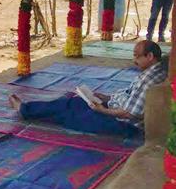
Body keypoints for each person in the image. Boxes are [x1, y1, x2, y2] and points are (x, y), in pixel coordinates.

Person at [9, 40, 167, 136]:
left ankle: (25, 109)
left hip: (123, 123)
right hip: (115, 108)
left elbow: (130, 113)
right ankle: (26, 109)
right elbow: (130, 95)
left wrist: (102, 110)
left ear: (150, 56)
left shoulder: (149, 81)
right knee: (74, 102)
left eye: (137, 56)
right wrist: (106, 98)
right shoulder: (154, 72)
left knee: (71, 114)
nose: (134, 60)